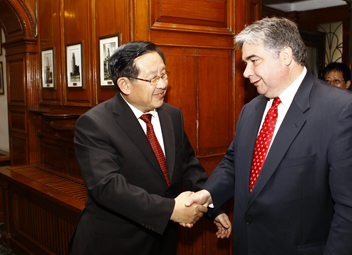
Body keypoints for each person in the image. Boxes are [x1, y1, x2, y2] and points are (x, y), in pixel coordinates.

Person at [186, 17, 352, 255]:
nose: (246, 72)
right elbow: (234, 164)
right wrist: (209, 193)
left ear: (286, 56)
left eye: (253, 61)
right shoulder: (251, 109)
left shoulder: (343, 110)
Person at [67, 41, 231, 255]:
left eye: (164, 75)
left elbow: (188, 166)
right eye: (153, 78)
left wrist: (211, 207)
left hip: (163, 240)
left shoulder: (172, 115)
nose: (162, 84)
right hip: (115, 243)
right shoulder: (95, 123)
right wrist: (171, 210)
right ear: (124, 84)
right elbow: (108, 187)